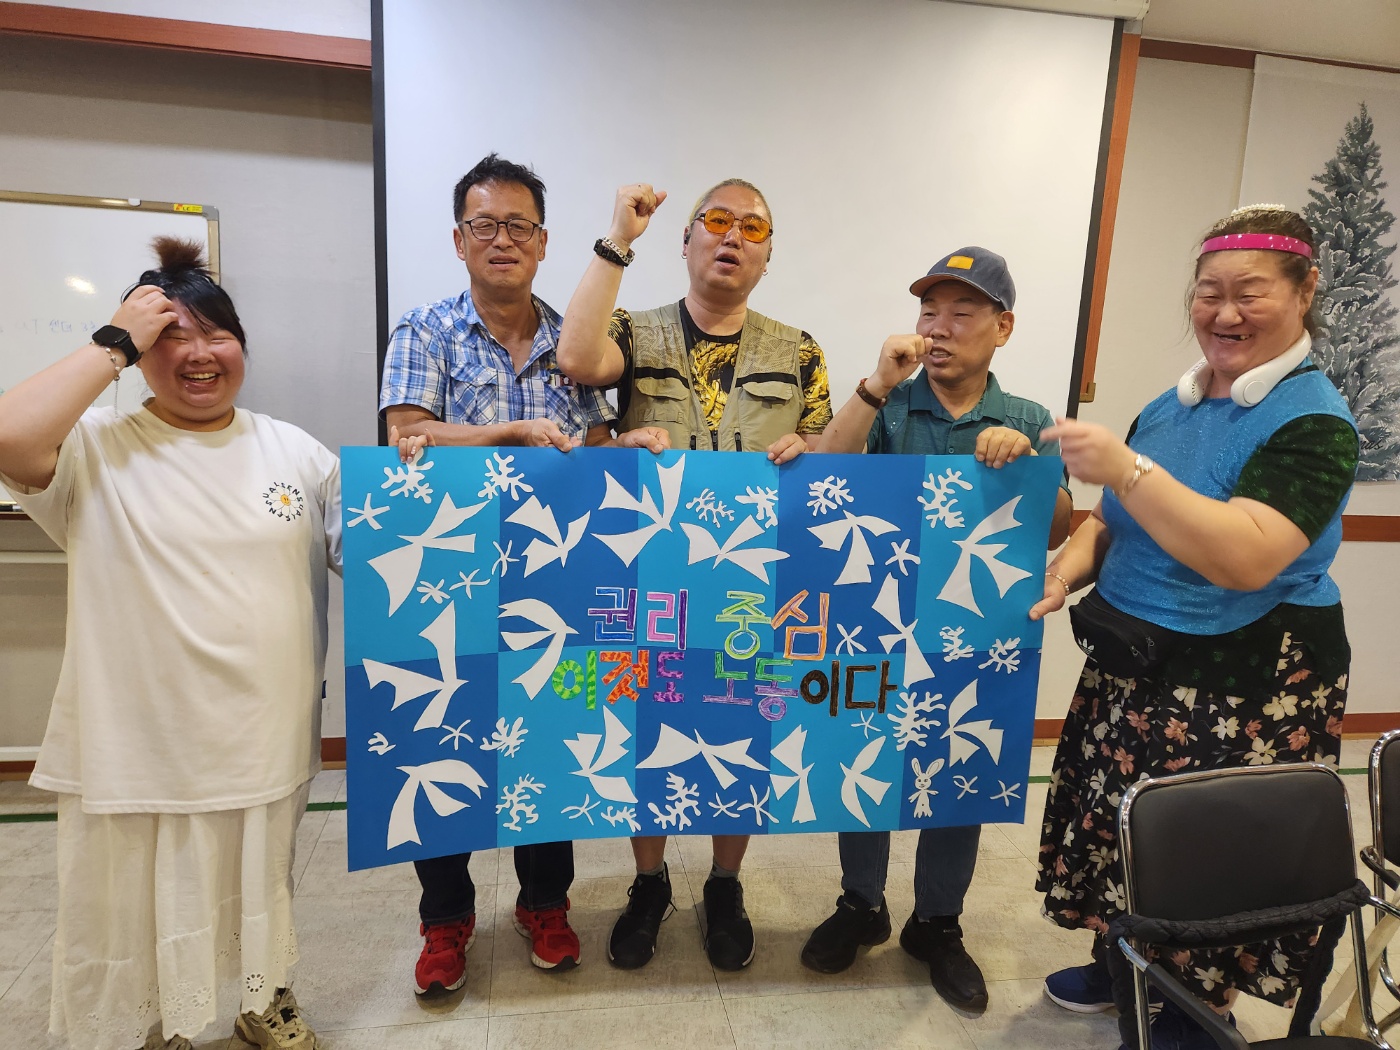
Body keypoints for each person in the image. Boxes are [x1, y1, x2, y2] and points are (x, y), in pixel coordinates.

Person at [0, 239, 343, 1050]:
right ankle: (157, 1023)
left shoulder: (294, 450)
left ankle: (262, 998)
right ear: (137, 352)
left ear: (243, 347)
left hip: (264, 732)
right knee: (136, 900)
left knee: (261, 879)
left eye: (217, 335)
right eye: (169, 337)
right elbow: (9, 437)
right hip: (143, 739)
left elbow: (385, 548)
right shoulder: (94, 446)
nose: (198, 355)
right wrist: (115, 339)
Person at [1031, 205, 1357, 1050]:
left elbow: (1246, 556)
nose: (1224, 312)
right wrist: (1064, 570)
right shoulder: (1169, 407)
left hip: (1242, 684)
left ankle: (1191, 1005)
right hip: (1136, 663)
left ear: (1305, 290)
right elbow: (1112, 521)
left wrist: (1128, 469)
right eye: (1209, 292)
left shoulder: (1315, 422)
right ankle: (1123, 963)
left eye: (1251, 292)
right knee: (1123, 826)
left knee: (1205, 857)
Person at [380, 153, 664, 995]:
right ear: (458, 239)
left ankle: (545, 904)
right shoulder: (424, 330)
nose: (501, 240)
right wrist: (504, 434)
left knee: (548, 740)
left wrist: (627, 444)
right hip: (447, 583)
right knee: (443, 740)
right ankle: (445, 919)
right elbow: (407, 432)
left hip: (555, 579)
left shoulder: (577, 339)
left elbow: (591, 448)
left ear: (542, 242)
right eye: (484, 225)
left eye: (518, 226)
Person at [556, 179, 833, 970]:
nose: (732, 236)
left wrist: (812, 450)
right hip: (652, 574)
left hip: (754, 578)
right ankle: (649, 884)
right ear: (685, 242)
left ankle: (724, 883)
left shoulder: (800, 350)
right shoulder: (633, 331)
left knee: (744, 722)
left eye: (752, 228)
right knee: (648, 722)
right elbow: (576, 359)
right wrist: (618, 237)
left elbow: (828, 451)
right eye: (716, 221)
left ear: (768, 256)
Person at [800, 247, 1073, 1012]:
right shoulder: (888, 406)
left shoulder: (1029, 420)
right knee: (863, 754)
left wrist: (1026, 470)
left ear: (1003, 327)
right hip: (875, 624)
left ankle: (937, 923)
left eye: (961, 312)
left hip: (976, 634)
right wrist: (877, 382)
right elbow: (825, 475)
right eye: (929, 312)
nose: (939, 328)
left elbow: (1058, 529)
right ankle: (861, 903)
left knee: (960, 768)